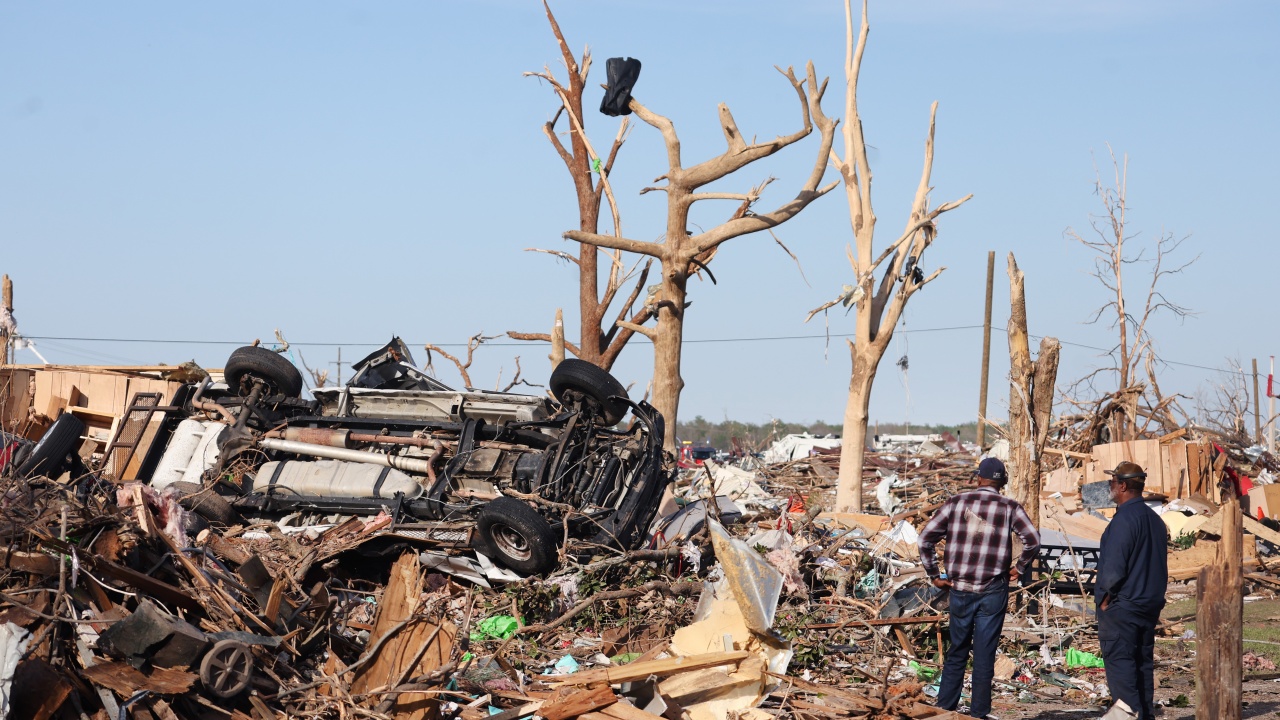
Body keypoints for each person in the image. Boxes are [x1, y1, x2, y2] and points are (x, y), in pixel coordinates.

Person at [918, 457, 1041, 719]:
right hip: (993, 590)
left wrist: (934, 575)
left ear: (978, 479)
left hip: (960, 589)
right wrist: (1019, 569)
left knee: (957, 651)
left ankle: (945, 708)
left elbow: (925, 538)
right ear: (1002, 481)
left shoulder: (956, 503)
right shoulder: (1010, 507)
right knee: (985, 655)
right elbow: (1032, 540)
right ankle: (978, 713)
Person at [1094, 461, 1168, 720]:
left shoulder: (1124, 519)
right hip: (1147, 606)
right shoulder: (1155, 521)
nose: (1110, 487)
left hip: (1122, 607)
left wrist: (1105, 599)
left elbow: (1114, 567)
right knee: (1142, 668)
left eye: (1112, 482)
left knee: (1123, 671)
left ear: (1123, 485)